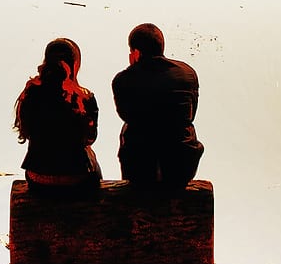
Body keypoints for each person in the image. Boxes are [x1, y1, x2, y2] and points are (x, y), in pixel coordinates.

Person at [112, 23, 203, 189]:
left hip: (141, 169)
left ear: (136, 52)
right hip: (181, 166)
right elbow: (191, 115)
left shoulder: (123, 80)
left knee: (129, 129)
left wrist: (134, 68)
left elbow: (127, 115)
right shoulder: (187, 73)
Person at [14, 38, 101, 193]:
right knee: (92, 158)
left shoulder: (30, 92)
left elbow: (25, 131)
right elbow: (90, 138)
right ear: (75, 65)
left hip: (38, 176)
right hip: (76, 177)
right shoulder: (84, 97)